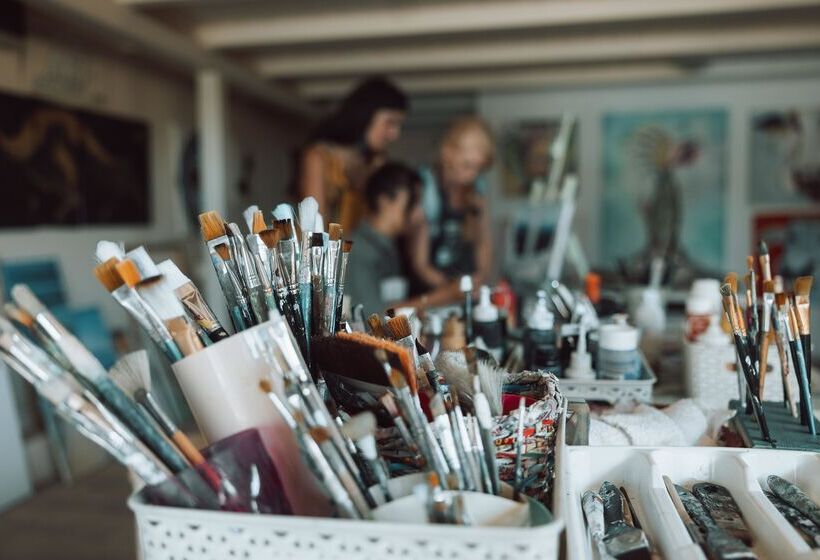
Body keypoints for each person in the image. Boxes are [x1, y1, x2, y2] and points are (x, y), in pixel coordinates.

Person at [296, 77, 408, 233]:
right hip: (325, 247)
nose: (394, 134)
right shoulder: (319, 157)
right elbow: (314, 229)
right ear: (366, 115)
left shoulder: (377, 163)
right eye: (390, 122)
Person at [407, 116, 495, 291]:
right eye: (467, 165)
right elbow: (419, 262)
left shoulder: (477, 189)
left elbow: (483, 243)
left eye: (479, 169)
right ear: (447, 153)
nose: (472, 175)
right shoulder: (426, 188)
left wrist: (480, 277)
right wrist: (452, 289)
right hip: (430, 292)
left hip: (465, 287)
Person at [346, 162, 421, 317]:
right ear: (384, 201)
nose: (419, 214)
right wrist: (441, 297)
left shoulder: (392, 244)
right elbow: (372, 317)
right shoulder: (358, 250)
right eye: (412, 202)